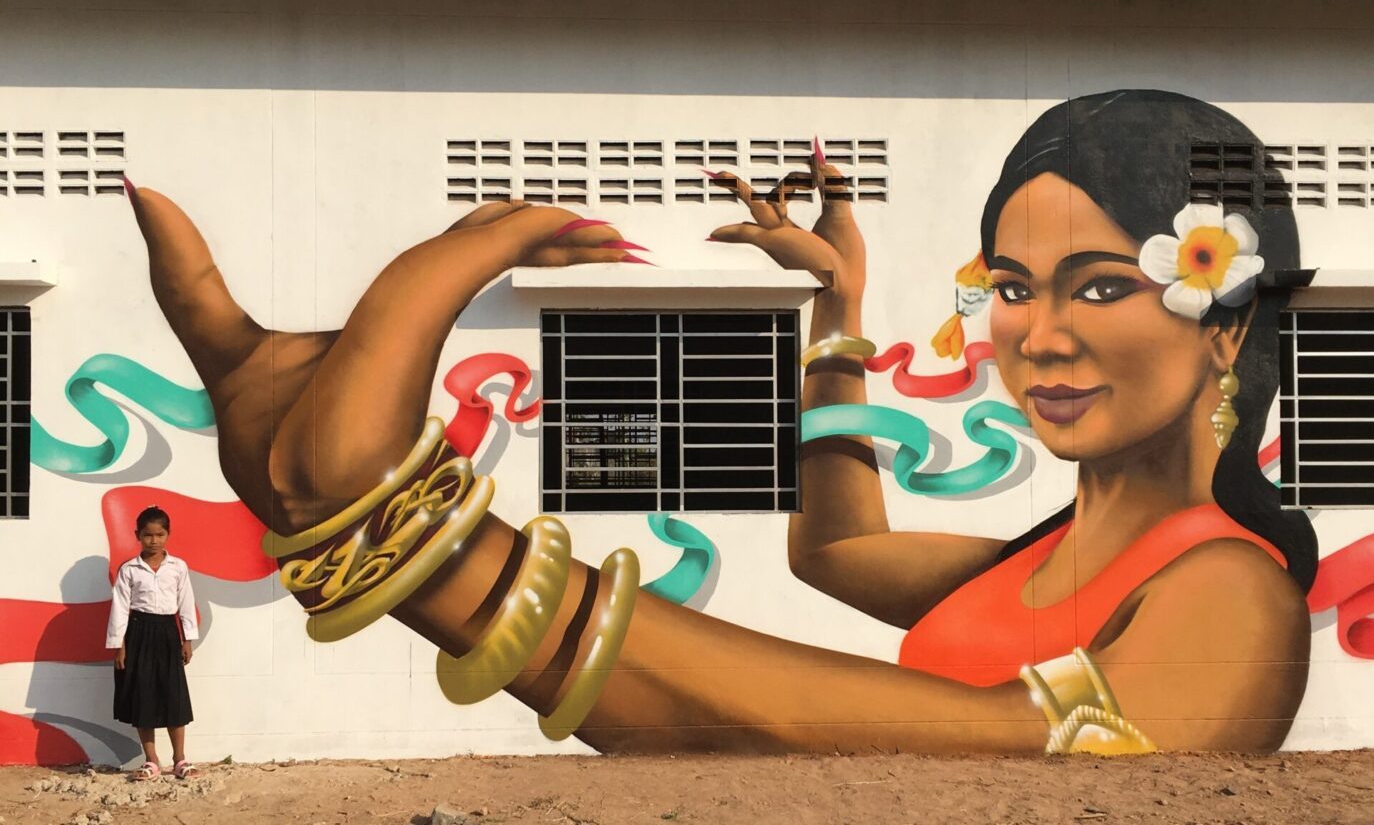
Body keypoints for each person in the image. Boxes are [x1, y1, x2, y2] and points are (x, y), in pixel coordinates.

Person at [124, 89, 1317, 754]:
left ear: (1225, 323)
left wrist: (438, 551)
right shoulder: (1047, 559)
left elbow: (996, 758)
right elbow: (839, 553)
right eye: (1012, 287)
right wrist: (837, 306)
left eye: (1099, 286)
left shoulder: (1227, 592)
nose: (1040, 335)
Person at [106, 505, 199, 780]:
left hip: (168, 633)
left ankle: (179, 759)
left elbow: (186, 602)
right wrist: (119, 645)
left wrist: (187, 639)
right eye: (148, 535)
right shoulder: (130, 570)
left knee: (173, 696)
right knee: (143, 696)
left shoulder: (178, 567)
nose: (154, 540)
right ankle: (151, 761)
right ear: (138, 535)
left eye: (159, 534)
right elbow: (120, 608)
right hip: (138, 633)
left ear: (168, 535)